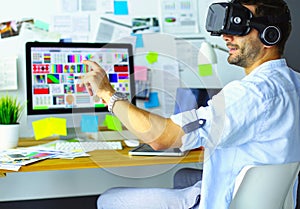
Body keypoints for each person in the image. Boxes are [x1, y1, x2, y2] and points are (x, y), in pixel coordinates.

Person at [81, 0, 300, 208]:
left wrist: (108, 94)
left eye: (239, 28)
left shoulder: (250, 94)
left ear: (270, 36)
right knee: (182, 175)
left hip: (224, 203)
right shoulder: (295, 83)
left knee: (108, 200)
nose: (226, 36)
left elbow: (161, 138)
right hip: (272, 202)